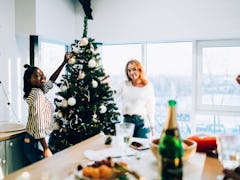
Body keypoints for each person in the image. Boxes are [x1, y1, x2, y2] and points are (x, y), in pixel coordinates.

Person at [22, 52, 71, 163]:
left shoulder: (37, 91)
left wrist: (64, 62)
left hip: (33, 140)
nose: (43, 77)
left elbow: (51, 81)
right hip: (34, 142)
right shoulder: (37, 95)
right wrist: (46, 148)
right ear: (29, 80)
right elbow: (38, 122)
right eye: (37, 75)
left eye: (42, 74)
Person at [117, 59, 155, 138]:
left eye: (134, 69)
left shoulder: (148, 86)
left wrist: (152, 126)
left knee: (143, 147)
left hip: (142, 123)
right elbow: (113, 95)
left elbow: (150, 107)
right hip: (127, 122)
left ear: (139, 70)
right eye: (129, 70)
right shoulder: (123, 85)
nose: (131, 72)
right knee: (127, 147)